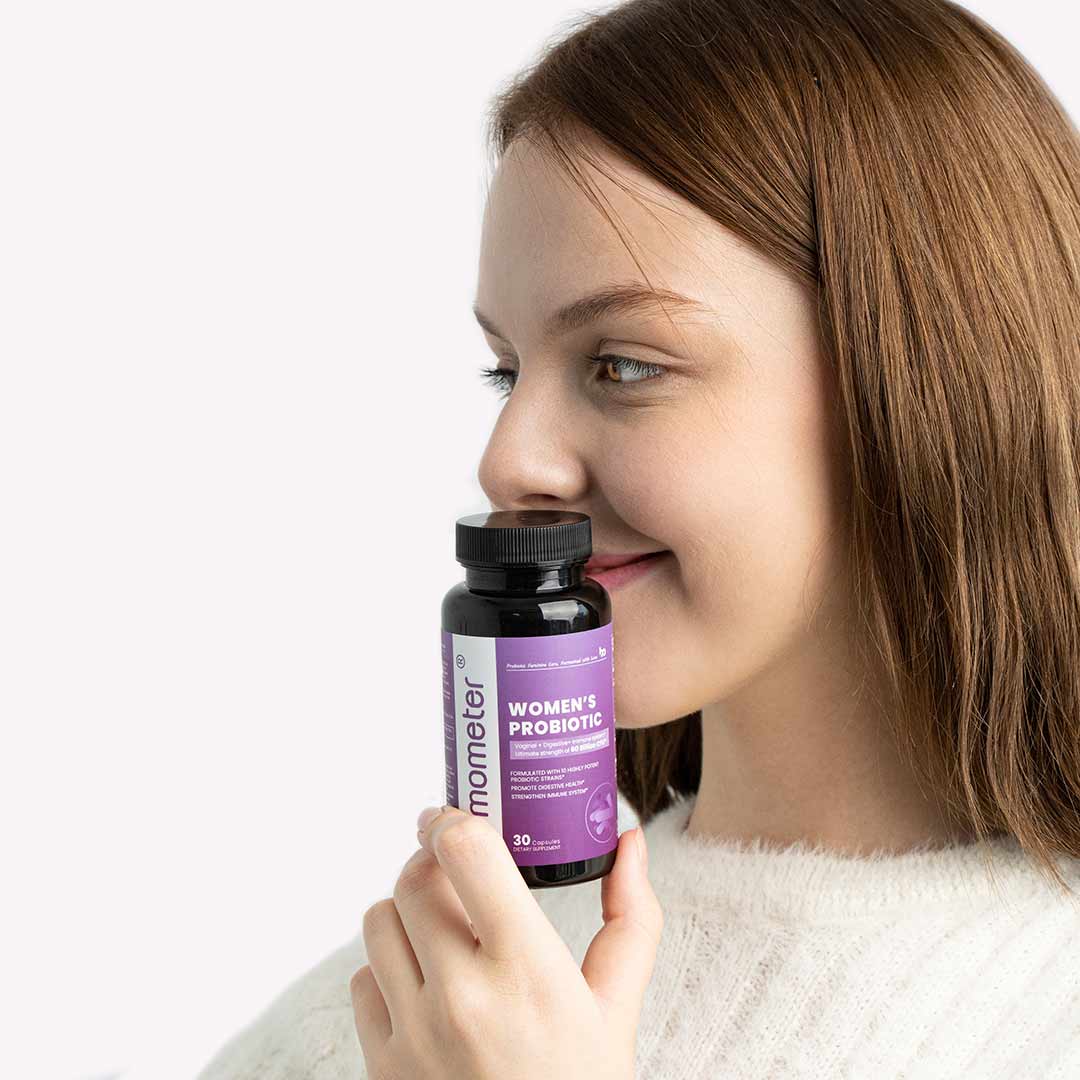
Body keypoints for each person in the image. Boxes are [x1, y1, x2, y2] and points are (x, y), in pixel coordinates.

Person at [197, 0, 1080, 1076]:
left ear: (923, 385)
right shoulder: (397, 1021)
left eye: (622, 364)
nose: (507, 460)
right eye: (504, 368)